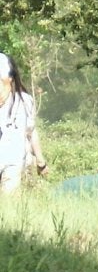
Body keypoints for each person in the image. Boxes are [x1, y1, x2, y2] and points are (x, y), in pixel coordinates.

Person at [0, 52, 46, 193]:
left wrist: (40, 161)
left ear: (10, 78)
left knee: (8, 202)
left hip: (12, 163)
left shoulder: (24, 102)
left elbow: (30, 132)